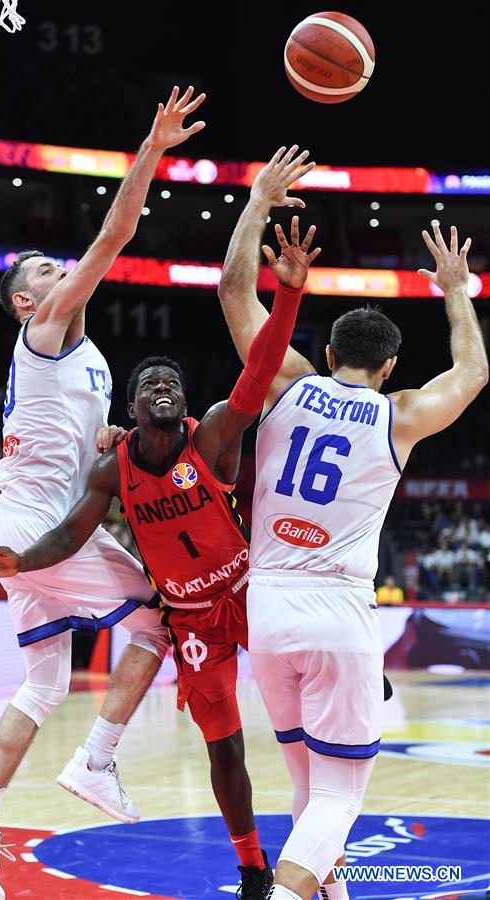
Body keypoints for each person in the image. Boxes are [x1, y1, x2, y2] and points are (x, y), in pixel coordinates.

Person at [0, 204, 319, 899]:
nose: (162, 387)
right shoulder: (108, 458)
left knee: (304, 700)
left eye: (171, 382)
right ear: (133, 409)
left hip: (243, 591)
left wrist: (290, 292)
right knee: (219, 737)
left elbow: (258, 372)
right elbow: (69, 534)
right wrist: (19, 559)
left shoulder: (205, 434)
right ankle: (246, 863)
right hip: (171, 606)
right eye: (150, 383)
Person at [0, 86, 207, 900]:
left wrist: (112, 438)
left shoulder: (83, 359)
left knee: (45, 683)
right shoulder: (45, 328)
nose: (64, 272)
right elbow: (115, 234)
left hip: (26, 516)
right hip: (38, 525)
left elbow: (73, 438)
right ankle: (97, 760)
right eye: (48, 273)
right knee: (160, 617)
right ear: (27, 301)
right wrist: (152, 150)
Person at [218, 147, 488, 900]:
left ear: (329, 351)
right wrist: (456, 291)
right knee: (339, 795)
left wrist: (258, 201)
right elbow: (473, 372)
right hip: (338, 610)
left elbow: (234, 290)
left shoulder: (286, 382)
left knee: (308, 785)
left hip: (268, 610)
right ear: (390, 367)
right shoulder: (400, 415)